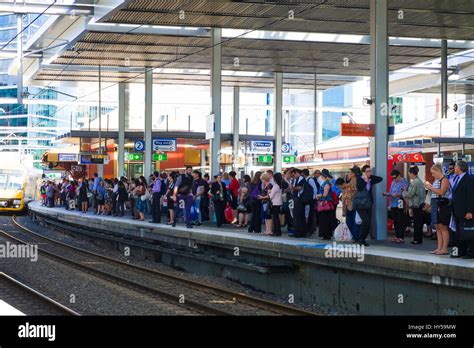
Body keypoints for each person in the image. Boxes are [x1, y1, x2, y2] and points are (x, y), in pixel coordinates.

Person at [424, 163, 451, 255]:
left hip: (441, 204)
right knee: (437, 227)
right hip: (435, 203)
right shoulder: (437, 180)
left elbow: (442, 192)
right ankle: (439, 247)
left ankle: (444, 248)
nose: (433, 175)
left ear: (439, 171)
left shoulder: (445, 180)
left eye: (434, 173)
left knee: (443, 227)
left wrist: (431, 187)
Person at [450, 161, 474, 259]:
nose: (454, 168)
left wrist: (470, 211)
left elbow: (471, 196)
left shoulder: (469, 179)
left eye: (456, 166)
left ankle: (471, 252)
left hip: (465, 211)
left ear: (460, 168)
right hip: (457, 210)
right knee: (459, 232)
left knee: (468, 230)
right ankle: (461, 251)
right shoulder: (456, 178)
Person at [355, 165, 383, 246]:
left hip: (368, 203)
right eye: (367, 171)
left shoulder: (371, 179)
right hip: (360, 204)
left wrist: (370, 178)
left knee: (368, 222)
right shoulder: (360, 179)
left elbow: (380, 179)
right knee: (365, 221)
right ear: (363, 172)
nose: (369, 172)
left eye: (370, 171)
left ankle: (362, 240)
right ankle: (360, 239)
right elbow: (359, 188)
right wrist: (365, 180)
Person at [384, 169, 409, 243]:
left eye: (395, 177)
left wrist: (396, 194)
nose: (394, 179)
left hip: (400, 203)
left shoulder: (404, 182)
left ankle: (401, 237)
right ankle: (396, 236)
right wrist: (388, 194)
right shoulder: (393, 182)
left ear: (399, 175)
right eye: (392, 178)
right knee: (395, 221)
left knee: (400, 220)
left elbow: (404, 193)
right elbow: (391, 192)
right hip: (393, 203)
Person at [337, 166, 360, 241]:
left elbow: (355, 193)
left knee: (353, 222)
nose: (348, 174)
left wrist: (347, 196)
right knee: (350, 222)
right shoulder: (349, 183)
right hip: (349, 206)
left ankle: (355, 237)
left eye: (350, 173)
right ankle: (353, 236)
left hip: (353, 206)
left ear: (353, 174)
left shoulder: (355, 182)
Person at [404, 166, 426, 245]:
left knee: (417, 223)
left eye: (409, 174)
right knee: (419, 222)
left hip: (416, 204)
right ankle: (418, 239)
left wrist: (404, 192)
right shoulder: (420, 181)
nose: (409, 175)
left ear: (411, 173)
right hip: (420, 204)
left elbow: (410, 194)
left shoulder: (414, 182)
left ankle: (416, 239)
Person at [316, 169, 334, 240]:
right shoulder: (327, 183)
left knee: (324, 220)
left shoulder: (326, 184)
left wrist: (319, 196)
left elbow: (325, 194)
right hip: (327, 204)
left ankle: (325, 235)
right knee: (327, 220)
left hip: (325, 204)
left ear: (323, 176)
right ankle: (327, 235)